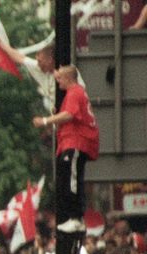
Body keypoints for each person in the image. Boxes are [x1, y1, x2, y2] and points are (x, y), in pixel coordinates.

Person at [33, 65, 98, 233]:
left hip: (76, 142)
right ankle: (72, 217)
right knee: (66, 178)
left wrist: (46, 120)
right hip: (70, 143)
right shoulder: (74, 93)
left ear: (69, 78)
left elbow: (69, 115)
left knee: (72, 179)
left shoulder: (75, 92)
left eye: (60, 78)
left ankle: (76, 218)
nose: (57, 80)